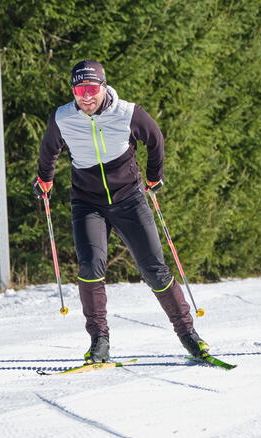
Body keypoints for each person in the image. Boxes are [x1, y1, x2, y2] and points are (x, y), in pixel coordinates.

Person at [34, 59, 209, 363]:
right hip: (87, 202)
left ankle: (189, 336)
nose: (85, 96)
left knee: (155, 270)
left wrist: (154, 176)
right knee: (90, 267)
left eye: (91, 89)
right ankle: (99, 340)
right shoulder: (62, 117)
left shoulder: (128, 113)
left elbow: (155, 139)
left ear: (103, 87)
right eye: (79, 90)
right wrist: (44, 179)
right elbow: (50, 149)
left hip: (129, 198)